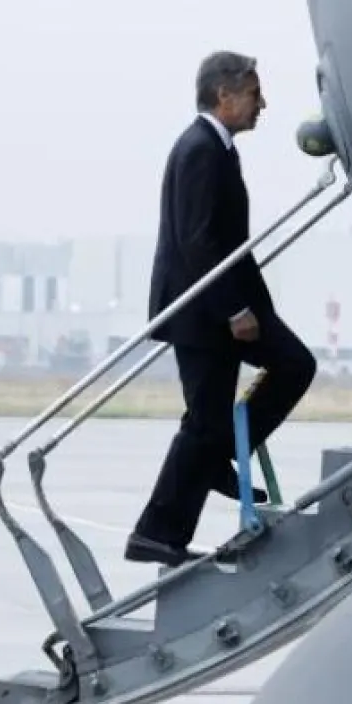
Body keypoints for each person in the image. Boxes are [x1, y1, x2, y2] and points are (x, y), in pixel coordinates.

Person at [125, 51, 317, 567]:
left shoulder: (217, 147)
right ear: (224, 95)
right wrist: (235, 310)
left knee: (223, 414)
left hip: (215, 308)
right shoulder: (201, 150)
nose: (263, 104)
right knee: (208, 422)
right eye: (255, 94)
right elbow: (198, 241)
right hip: (204, 311)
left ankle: (207, 476)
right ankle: (158, 532)